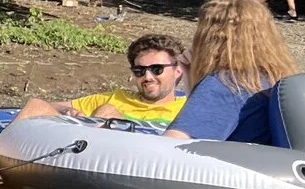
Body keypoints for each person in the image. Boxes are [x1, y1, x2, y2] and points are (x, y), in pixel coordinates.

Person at [164, 0, 299, 143]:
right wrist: (190, 73)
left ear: (209, 38)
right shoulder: (270, 79)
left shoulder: (225, 83)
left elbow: (173, 147)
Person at [13, 33, 188, 126]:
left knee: (107, 111)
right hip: (88, 158)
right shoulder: (115, 98)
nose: (147, 77)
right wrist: (68, 113)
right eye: (139, 70)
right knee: (35, 104)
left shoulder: (191, 108)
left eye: (157, 69)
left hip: (139, 163)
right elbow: (58, 105)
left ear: (178, 70)